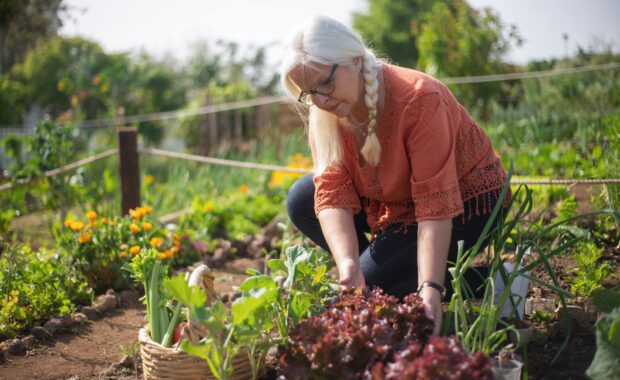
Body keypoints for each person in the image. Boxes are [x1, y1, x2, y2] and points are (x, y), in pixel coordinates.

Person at [280, 16, 510, 335]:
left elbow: (435, 206)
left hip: (468, 201)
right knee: (302, 199)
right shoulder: (327, 113)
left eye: (325, 84)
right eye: (309, 93)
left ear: (356, 61)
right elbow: (332, 191)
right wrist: (348, 265)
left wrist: (430, 288)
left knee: (377, 285)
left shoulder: (419, 98)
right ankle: (378, 275)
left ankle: (497, 281)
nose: (320, 100)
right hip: (399, 202)